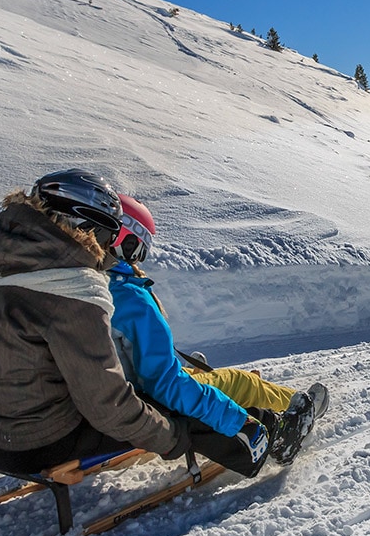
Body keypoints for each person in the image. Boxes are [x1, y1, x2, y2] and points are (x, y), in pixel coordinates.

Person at [0, 169, 211, 476]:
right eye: (108, 235)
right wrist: (173, 436)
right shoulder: (73, 293)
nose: (108, 250)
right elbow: (109, 407)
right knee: (167, 408)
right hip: (36, 446)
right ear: (86, 226)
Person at [107, 194, 327, 466]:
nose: (139, 258)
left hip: (122, 393)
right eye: (139, 247)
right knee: (239, 381)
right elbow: (164, 384)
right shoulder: (127, 297)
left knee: (203, 377)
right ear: (122, 239)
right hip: (146, 398)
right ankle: (295, 414)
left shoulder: (87, 287)